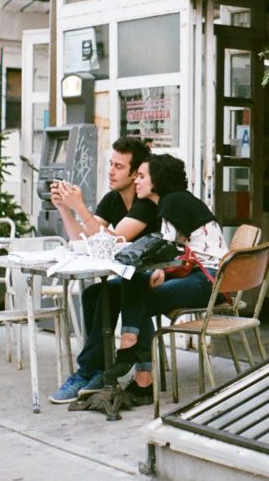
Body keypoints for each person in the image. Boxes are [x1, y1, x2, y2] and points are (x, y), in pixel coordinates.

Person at [104, 153, 228, 398]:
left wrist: (156, 268)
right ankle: (135, 362)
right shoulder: (176, 200)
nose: (136, 181)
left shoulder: (172, 202)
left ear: (157, 180)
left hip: (208, 280)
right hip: (200, 274)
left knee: (138, 297)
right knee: (134, 281)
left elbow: (166, 249)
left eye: (141, 176)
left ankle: (138, 370)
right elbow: (172, 253)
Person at [48, 136, 159, 404]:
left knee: (105, 294)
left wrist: (80, 207)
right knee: (93, 294)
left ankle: (90, 370)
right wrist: (65, 209)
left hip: (151, 279)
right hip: (129, 278)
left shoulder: (146, 204)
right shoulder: (113, 199)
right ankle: (99, 367)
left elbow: (113, 243)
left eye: (119, 167)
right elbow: (83, 240)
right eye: (111, 163)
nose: (111, 171)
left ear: (135, 174)